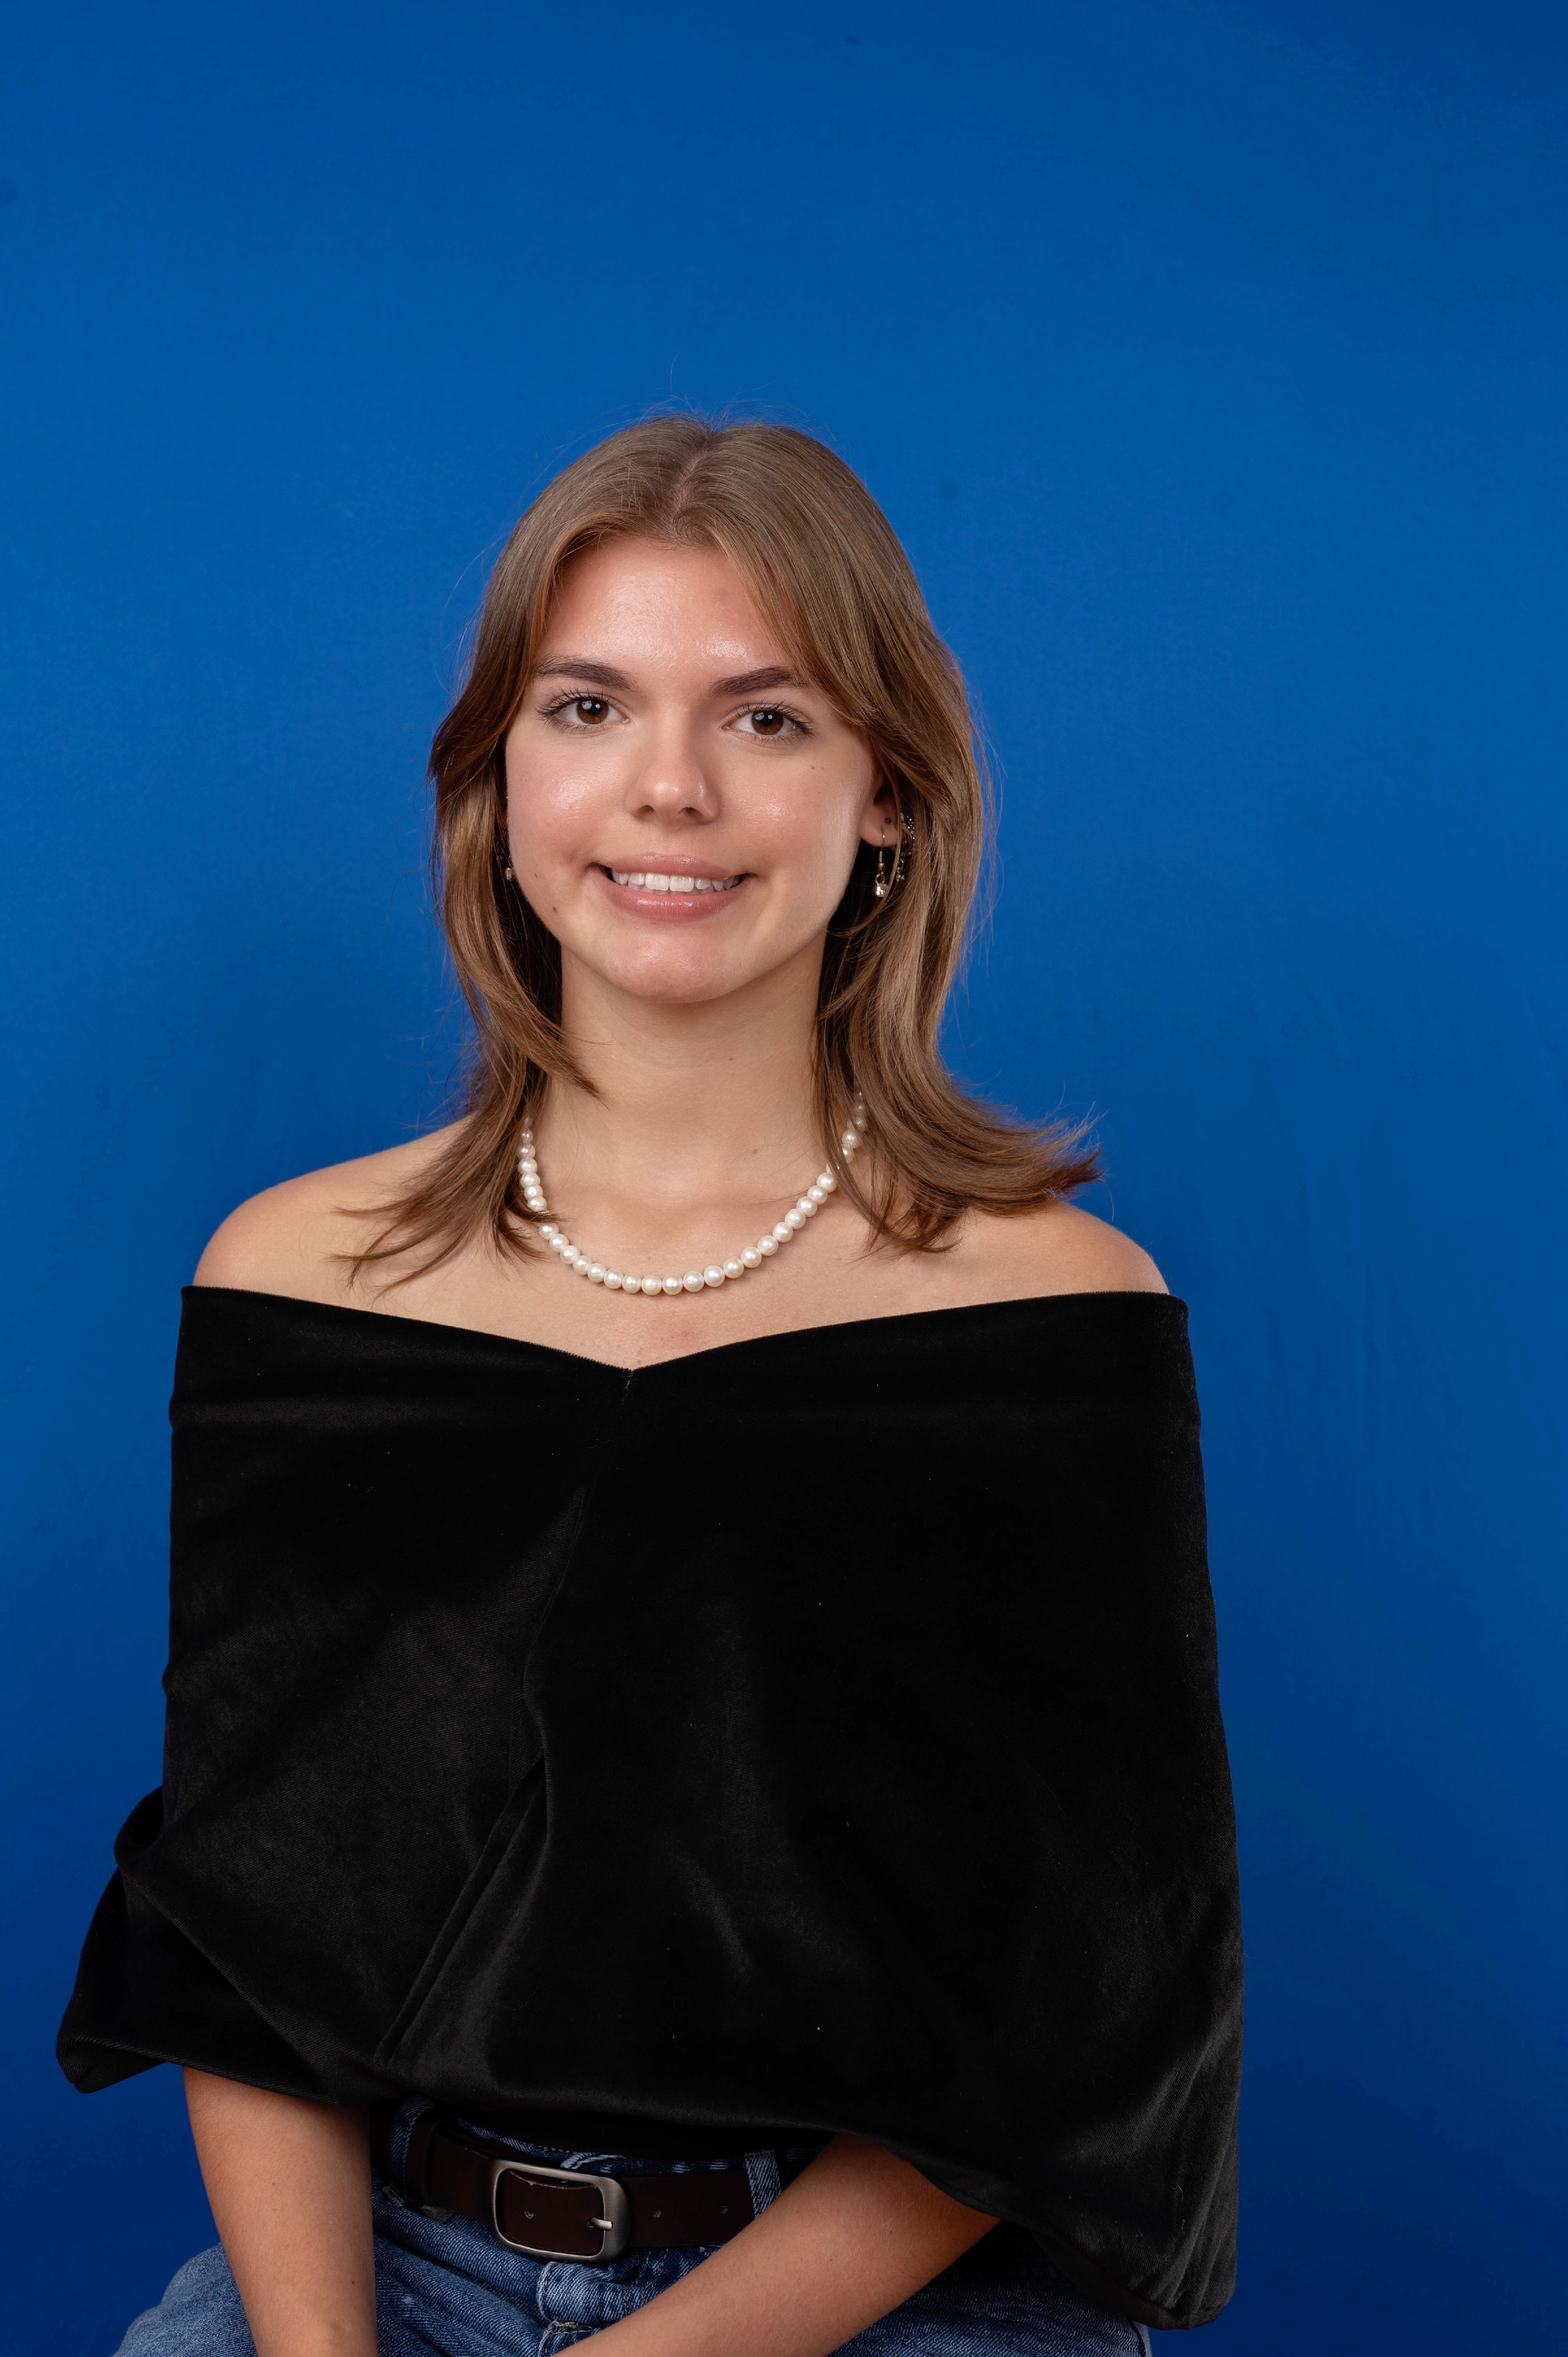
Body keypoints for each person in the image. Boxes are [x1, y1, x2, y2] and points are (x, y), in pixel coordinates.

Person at [59, 416, 1242, 2357]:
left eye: (767, 717)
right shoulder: (295, 1276)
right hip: (381, 2275)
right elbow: (247, 1941)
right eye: (590, 705)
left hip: (877, 2303)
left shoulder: (1055, 1315)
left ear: (888, 793)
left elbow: (1082, 2004)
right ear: (500, 778)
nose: (669, 786)